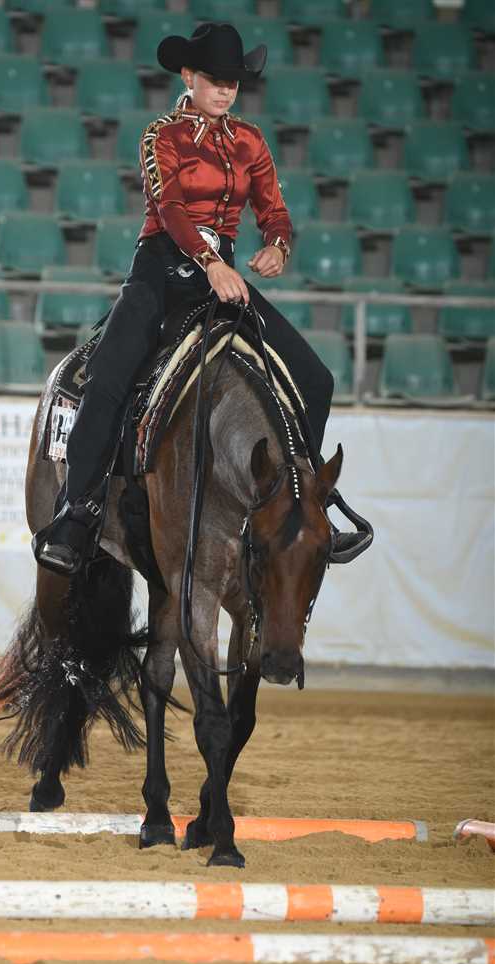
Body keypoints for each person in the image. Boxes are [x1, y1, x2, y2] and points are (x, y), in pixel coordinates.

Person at [33, 22, 370, 576]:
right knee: (109, 377)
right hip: (161, 273)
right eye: (216, 80)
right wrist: (210, 263)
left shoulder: (250, 140)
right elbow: (168, 209)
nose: (226, 90)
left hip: (223, 279)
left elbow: (274, 209)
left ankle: (306, 504)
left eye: (234, 82)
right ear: (188, 76)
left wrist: (278, 245)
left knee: (317, 380)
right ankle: (76, 511)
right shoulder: (160, 135)